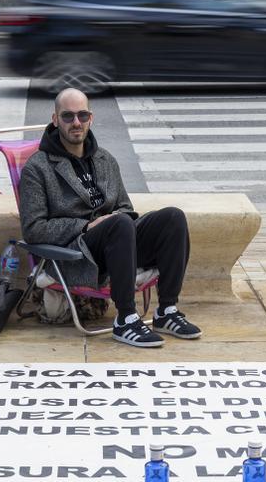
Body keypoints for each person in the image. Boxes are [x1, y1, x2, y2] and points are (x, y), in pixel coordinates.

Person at [18, 88, 202, 348]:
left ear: (91, 118)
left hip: (118, 242)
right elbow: (34, 229)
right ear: (55, 119)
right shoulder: (38, 168)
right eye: (68, 116)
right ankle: (125, 319)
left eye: (82, 115)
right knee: (119, 223)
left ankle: (167, 311)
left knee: (173, 218)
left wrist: (116, 219)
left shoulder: (105, 159)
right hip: (79, 251)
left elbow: (126, 208)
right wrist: (86, 226)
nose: (76, 122)